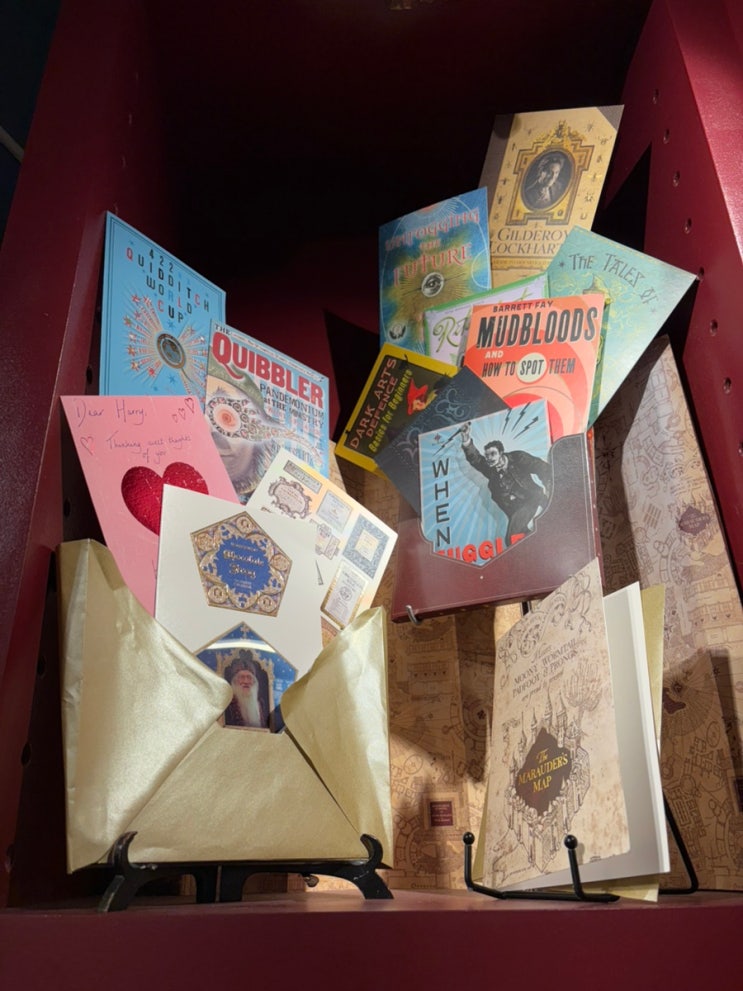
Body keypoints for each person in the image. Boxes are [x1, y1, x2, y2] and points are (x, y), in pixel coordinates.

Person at [460, 421, 552, 542]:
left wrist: (549, 486)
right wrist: (466, 439)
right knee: (522, 537)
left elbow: (541, 467)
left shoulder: (518, 458)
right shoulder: (490, 469)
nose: (489, 458)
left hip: (532, 499)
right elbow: (475, 459)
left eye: (493, 454)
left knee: (511, 538)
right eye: (487, 455)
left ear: (501, 453)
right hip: (514, 509)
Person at [223, 651, 269, 729]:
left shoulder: (261, 704)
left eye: (249, 677)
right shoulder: (227, 703)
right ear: (235, 681)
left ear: (254, 682)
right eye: (242, 677)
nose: (246, 681)